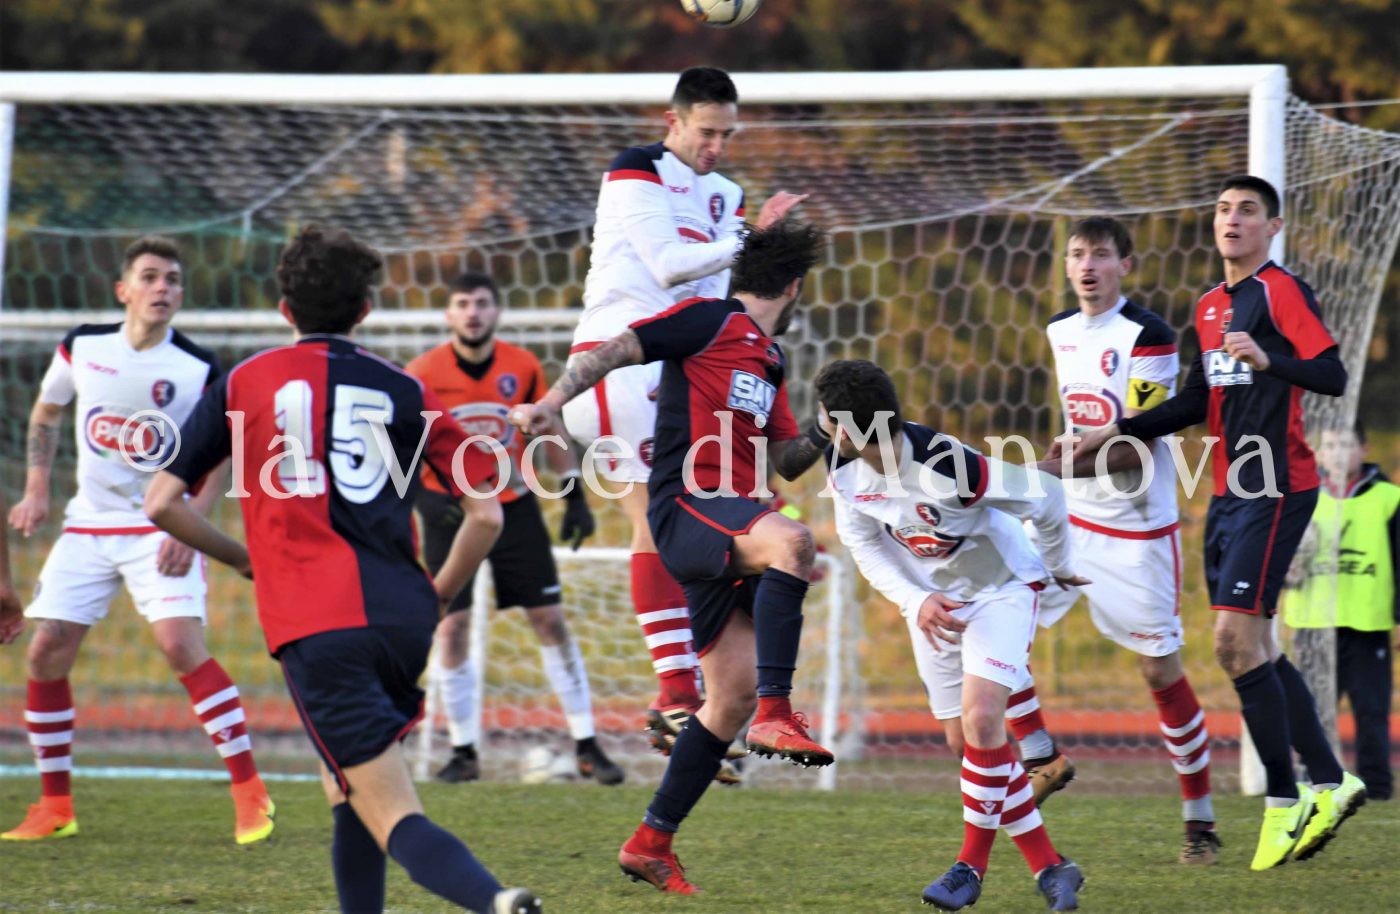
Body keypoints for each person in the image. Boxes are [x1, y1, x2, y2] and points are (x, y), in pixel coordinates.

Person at [144, 225, 539, 914]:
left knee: (393, 812)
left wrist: (242, 560)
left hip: (318, 625)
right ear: (364, 311)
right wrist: (439, 596)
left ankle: (497, 902)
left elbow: (161, 503)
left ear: (284, 309)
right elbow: (487, 516)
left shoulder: (245, 380)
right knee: (349, 787)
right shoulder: (406, 388)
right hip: (402, 619)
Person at [511, 220, 830, 894]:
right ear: (795, 287)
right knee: (794, 543)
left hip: (729, 521)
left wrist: (835, 431)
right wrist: (551, 403)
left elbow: (785, 459)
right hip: (687, 506)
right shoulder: (708, 319)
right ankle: (778, 715)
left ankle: (650, 842)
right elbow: (619, 347)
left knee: (729, 697)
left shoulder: (770, 358)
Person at [1074, 175, 1365, 871]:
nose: (1232, 220)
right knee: (1255, 646)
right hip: (1229, 492)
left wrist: (1271, 359)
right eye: (1224, 210)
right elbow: (1194, 403)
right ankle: (1332, 781)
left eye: (1248, 211)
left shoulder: (1281, 292)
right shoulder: (1209, 306)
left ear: (1273, 226)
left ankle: (1283, 799)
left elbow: (1332, 374)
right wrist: (1116, 429)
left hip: (1277, 486)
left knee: (1233, 644)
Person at [563, 65, 806, 751]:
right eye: (706, 132)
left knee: (711, 518)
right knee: (659, 521)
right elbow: (668, 265)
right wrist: (751, 240)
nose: (716, 147)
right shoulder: (635, 168)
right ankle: (678, 693)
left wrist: (758, 249)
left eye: (727, 135)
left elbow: (719, 290)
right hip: (618, 362)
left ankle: (704, 695)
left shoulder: (727, 195)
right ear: (673, 121)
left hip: (677, 372)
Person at [3, 236, 274, 845]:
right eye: (150, 277)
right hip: (88, 524)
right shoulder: (83, 345)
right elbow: (46, 413)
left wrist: (192, 521)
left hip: (159, 526)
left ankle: (250, 792)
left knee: (179, 646)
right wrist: (37, 488)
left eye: (173, 279)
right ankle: (55, 806)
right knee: (46, 651)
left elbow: (223, 448)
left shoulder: (197, 367)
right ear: (123, 290)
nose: (162, 287)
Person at [816, 359, 1086, 912]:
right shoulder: (842, 465)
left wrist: (1058, 564)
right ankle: (1052, 867)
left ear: (845, 430)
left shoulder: (948, 467)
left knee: (983, 719)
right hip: (934, 603)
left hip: (1001, 589)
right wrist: (916, 600)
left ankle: (969, 869)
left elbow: (1046, 495)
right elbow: (862, 543)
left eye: (823, 417)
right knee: (969, 746)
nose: (816, 425)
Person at [1033, 217, 1219, 863]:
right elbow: (1078, 428)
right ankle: (1039, 756)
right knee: (992, 614)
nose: (1088, 266)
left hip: (1136, 528)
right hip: (1068, 519)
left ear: (1125, 265)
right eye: (1077, 254)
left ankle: (1199, 820)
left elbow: (1133, 449)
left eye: (1101, 255)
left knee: (1158, 670)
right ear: (1066, 264)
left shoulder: (1149, 335)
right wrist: (1050, 475)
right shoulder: (1059, 330)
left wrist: (1043, 471)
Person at [406, 271, 623, 786]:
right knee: (451, 627)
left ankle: (587, 743)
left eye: (482, 302)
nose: (473, 313)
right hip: (451, 511)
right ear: (449, 314)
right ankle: (463, 751)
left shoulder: (521, 365)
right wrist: (422, 499)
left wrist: (573, 492)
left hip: (514, 504)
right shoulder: (422, 372)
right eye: (463, 303)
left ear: (497, 310)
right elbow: (402, 442)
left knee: (549, 619)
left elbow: (548, 427)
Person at [1283, 422, 1399, 801]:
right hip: (1313, 622)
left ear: (1364, 449)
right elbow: (1282, 553)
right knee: (1312, 709)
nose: (1337, 454)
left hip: (1367, 622)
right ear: (1319, 453)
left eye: (1346, 444)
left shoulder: (1389, 498)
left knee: (1371, 709)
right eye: (1330, 446)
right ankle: (1313, 780)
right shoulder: (1302, 496)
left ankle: (1376, 786)